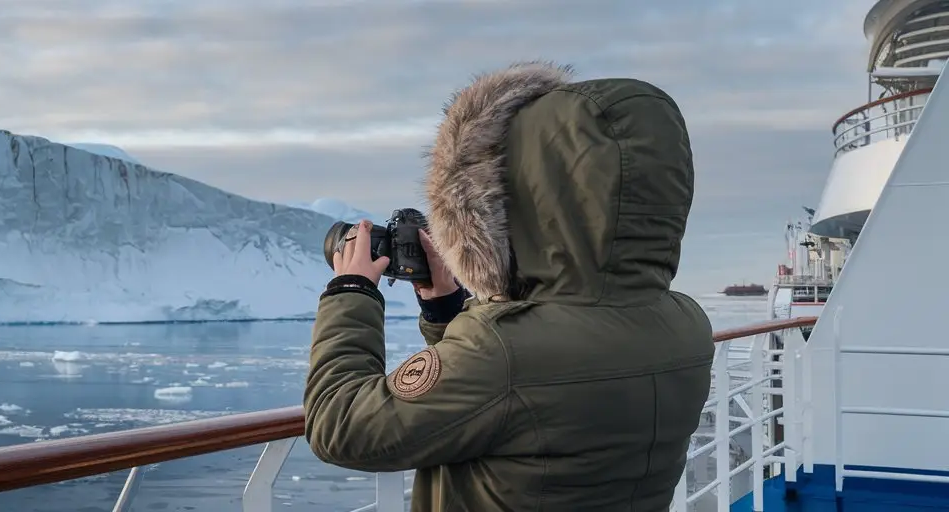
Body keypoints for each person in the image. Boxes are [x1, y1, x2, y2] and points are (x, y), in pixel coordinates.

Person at [304, 61, 714, 511]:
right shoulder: (685, 322)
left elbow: (341, 427)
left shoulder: (505, 353)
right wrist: (445, 310)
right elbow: (505, 404)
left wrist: (351, 291)